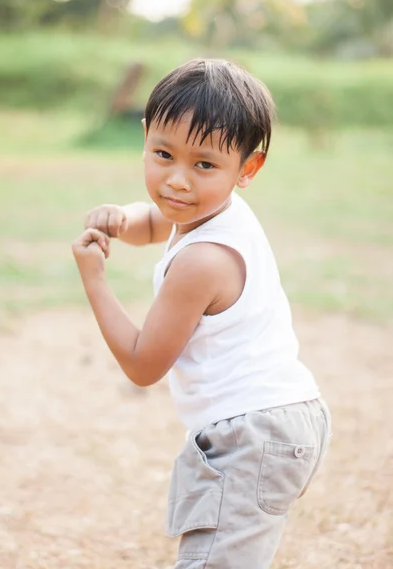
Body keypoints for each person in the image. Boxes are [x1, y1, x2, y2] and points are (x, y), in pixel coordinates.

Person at [72, 58, 331, 569]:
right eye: (163, 154)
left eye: (204, 165)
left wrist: (93, 279)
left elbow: (143, 366)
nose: (177, 182)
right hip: (278, 421)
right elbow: (156, 220)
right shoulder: (212, 209)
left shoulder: (202, 262)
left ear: (247, 169)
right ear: (145, 137)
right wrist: (120, 218)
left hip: (254, 437)